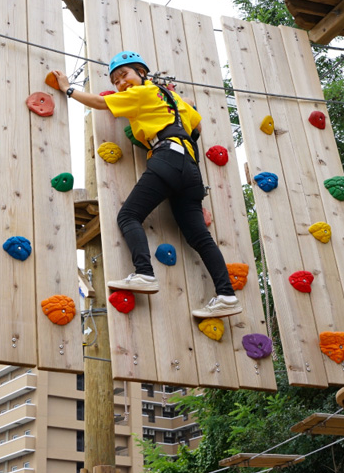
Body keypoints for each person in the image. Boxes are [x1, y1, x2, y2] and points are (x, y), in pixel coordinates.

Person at [51, 51, 242, 318]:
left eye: (125, 75)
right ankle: (227, 296)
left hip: (167, 158)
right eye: (116, 81)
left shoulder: (142, 93)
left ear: (142, 73)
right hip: (190, 169)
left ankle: (144, 274)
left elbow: (99, 102)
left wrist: (67, 89)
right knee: (199, 237)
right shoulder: (173, 98)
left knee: (129, 216)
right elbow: (196, 128)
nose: (121, 83)